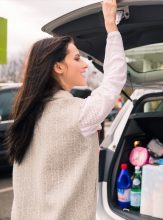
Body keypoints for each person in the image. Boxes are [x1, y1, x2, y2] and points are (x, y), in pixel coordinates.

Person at [4, 0, 126, 219]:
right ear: (58, 67)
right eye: (77, 58)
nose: (85, 65)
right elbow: (114, 79)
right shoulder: (78, 114)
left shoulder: (29, 113)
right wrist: (111, 27)